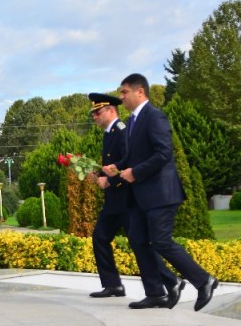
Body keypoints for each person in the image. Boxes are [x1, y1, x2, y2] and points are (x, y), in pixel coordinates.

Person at [104, 73, 218, 311]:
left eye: (124, 92)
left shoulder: (155, 116)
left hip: (160, 194)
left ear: (140, 92)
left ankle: (204, 280)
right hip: (142, 196)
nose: (121, 97)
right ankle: (156, 293)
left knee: (161, 242)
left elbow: (163, 153)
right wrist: (118, 167)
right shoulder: (134, 121)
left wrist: (135, 173)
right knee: (137, 239)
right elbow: (136, 155)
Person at [87, 93, 128, 298]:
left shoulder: (122, 131)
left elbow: (129, 163)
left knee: (141, 243)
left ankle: (170, 281)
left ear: (111, 110)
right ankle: (113, 285)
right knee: (100, 237)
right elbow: (111, 164)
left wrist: (110, 180)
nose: (94, 116)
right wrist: (98, 174)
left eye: (97, 112)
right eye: (93, 113)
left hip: (127, 199)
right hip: (114, 201)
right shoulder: (108, 134)